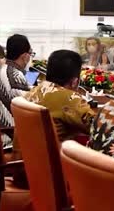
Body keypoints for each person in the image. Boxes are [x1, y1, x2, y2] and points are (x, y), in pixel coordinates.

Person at [13, 50, 97, 188]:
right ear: (75, 81)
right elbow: (96, 127)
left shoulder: (34, 90)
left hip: (22, 168)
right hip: (51, 175)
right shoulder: (69, 98)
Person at [0, 34, 33, 148]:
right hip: (10, 137)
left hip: (0, 131)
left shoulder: (0, 69)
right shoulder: (15, 75)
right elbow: (31, 106)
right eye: (31, 53)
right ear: (25, 56)